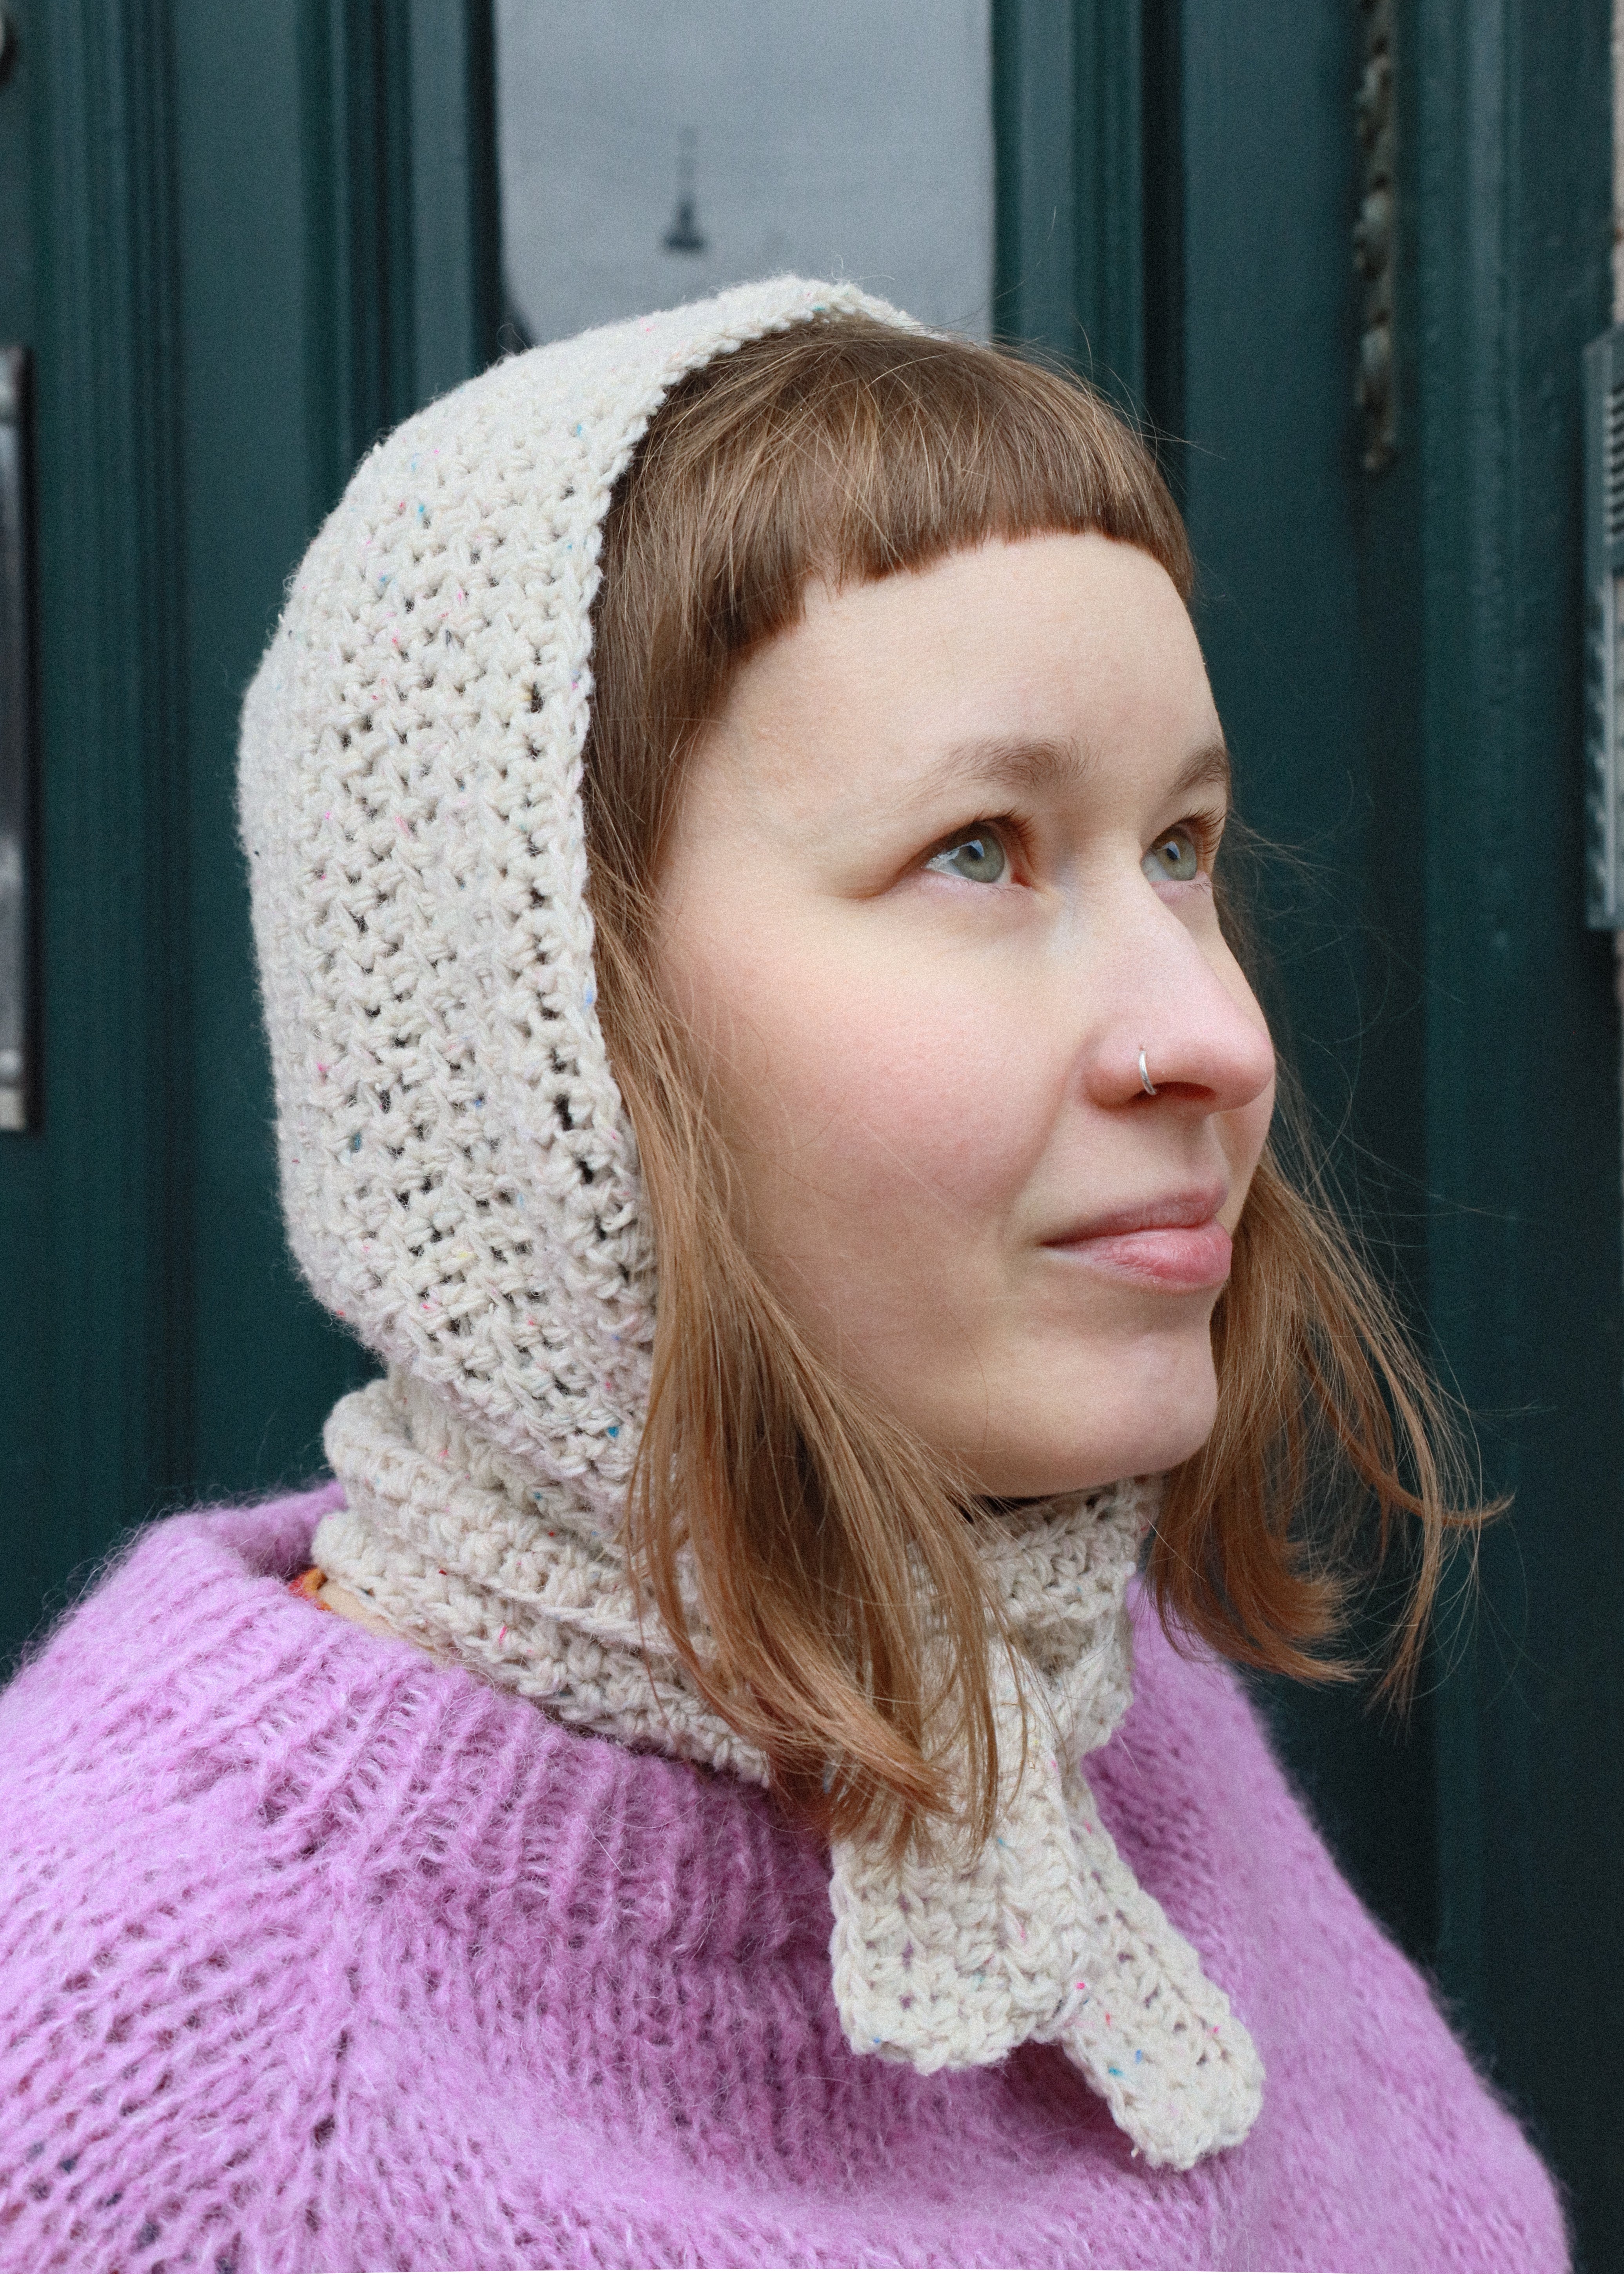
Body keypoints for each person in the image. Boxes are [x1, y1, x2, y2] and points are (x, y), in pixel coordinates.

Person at [0, 278, 1566, 2272]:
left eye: (1180, 847)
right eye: (980, 849)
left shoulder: (1083, 1700)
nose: (1218, 1036)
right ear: (538, 1026)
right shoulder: (149, 2077)